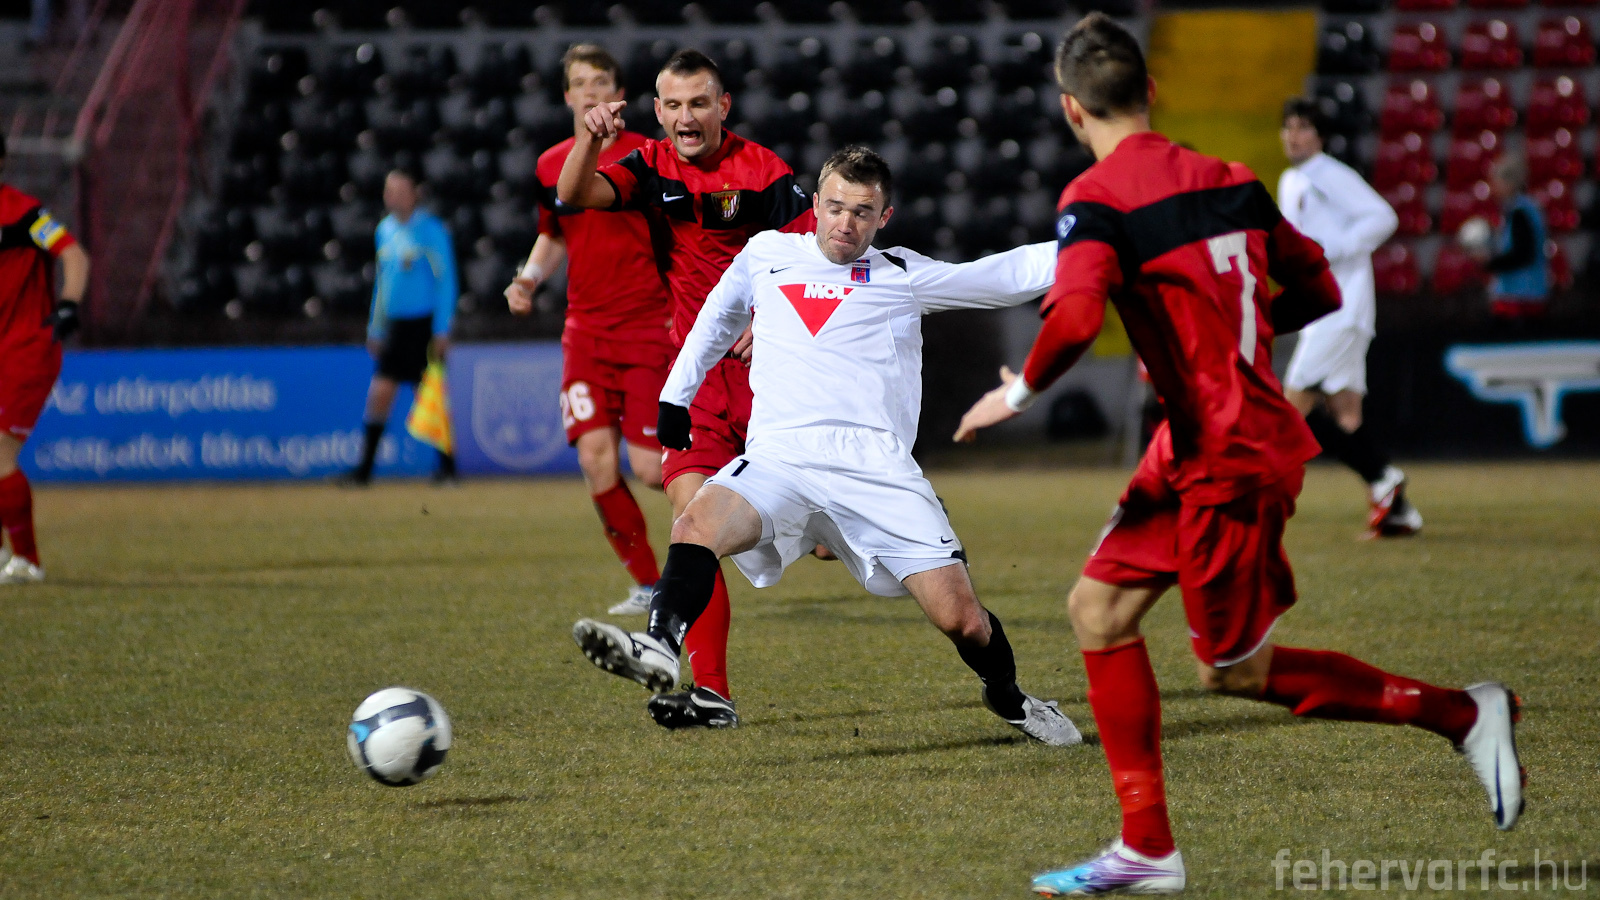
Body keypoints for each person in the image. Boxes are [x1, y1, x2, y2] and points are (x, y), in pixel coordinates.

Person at [955, 16, 1524, 895]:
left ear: (1071, 109)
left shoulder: (1096, 198)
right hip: (1195, 440)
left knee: (1234, 670)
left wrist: (1017, 393)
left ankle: (1462, 713)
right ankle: (1146, 849)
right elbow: (1318, 287)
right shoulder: (1232, 179)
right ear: (1150, 91)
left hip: (1231, 451)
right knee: (1097, 612)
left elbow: (1075, 317)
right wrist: (1229, 338)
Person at [570, 146, 1082, 747]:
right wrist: (675, 397)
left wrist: (1100, 241)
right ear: (814, 204)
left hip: (876, 470)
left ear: (884, 217)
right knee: (696, 523)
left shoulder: (901, 274)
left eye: (862, 212)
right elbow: (716, 317)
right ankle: (659, 644)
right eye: (835, 207)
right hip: (780, 458)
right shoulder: (767, 253)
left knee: (962, 620)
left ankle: (1010, 696)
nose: (846, 223)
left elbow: (1004, 275)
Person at [557, 49, 817, 729]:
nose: (685, 117)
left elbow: (816, 255)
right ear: (656, 111)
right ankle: (712, 692)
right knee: (690, 520)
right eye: (672, 106)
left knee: (827, 534)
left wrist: (769, 316)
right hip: (693, 378)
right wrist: (590, 139)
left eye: (698, 103)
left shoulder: (764, 172)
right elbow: (575, 195)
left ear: (722, 106)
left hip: (769, 377)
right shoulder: (650, 168)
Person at [505, 44, 673, 616]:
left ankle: (757, 501)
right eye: (580, 83)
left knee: (651, 469)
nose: (591, 91)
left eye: (601, 81)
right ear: (567, 96)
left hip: (648, 327)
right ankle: (649, 585)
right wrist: (528, 279)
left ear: (618, 93)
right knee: (596, 459)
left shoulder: (650, 155)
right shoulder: (551, 164)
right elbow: (554, 233)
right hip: (585, 332)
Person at [1278, 99, 1420, 538]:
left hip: (1340, 309)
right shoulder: (1291, 179)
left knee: (1291, 410)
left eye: (1303, 127)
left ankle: (1382, 476)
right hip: (1324, 311)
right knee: (1345, 416)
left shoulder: (1329, 174)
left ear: (1320, 135)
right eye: (1288, 127)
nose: (1293, 136)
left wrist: (1334, 249)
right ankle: (1396, 509)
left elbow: (1383, 217)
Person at [0, 132, 90, 584]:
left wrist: (68, 304)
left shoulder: (24, 213)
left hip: (25, 348)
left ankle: (28, 562)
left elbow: (73, 255)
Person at [340, 169, 458, 486]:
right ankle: (363, 472)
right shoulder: (385, 231)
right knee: (379, 394)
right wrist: (375, 327)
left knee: (431, 397)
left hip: (423, 325)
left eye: (401, 191)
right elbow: (382, 284)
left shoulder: (432, 231)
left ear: (414, 194)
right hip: (395, 326)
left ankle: (448, 469)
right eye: (390, 191)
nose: (394, 197)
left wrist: (442, 328)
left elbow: (446, 281)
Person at [1473, 153, 1550, 323]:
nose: (1493, 186)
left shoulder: (1520, 213)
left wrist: (1490, 262)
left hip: (1521, 298)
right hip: (1526, 294)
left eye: (1496, 181)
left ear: (1509, 183)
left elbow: (1522, 254)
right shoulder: (1524, 209)